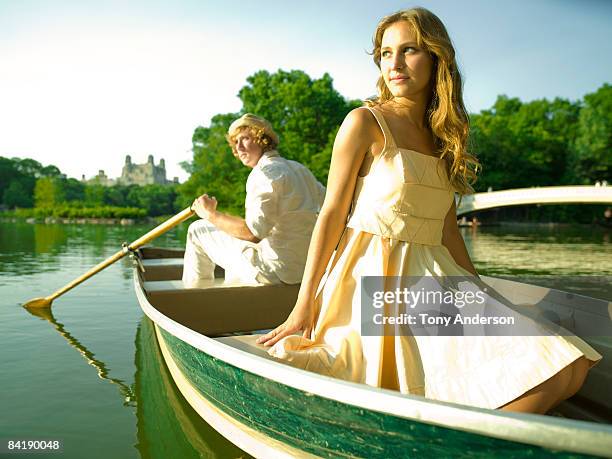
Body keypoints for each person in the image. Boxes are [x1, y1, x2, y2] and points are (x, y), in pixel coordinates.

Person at [257, 7, 601, 413]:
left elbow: (448, 230)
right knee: (558, 369)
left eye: (409, 50)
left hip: (434, 277)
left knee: (574, 367)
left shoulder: (444, 136)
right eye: (386, 53)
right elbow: (331, 214)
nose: (395, 64)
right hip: (376, 282)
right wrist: (304, 304)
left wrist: (482, 293)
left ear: (437, 57)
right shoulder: (364, 122)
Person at [182, 113, 325, 286]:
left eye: (245, 139)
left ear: (262, 139)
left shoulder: (264, 172)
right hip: (306, 270)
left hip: (275, 272)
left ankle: (195, 301)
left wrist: (210, 214)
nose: (239, 148)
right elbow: (329, 207)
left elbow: (252, 233)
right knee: (234, 240)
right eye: (236, 142)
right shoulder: (301, 170)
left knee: (197, 229)